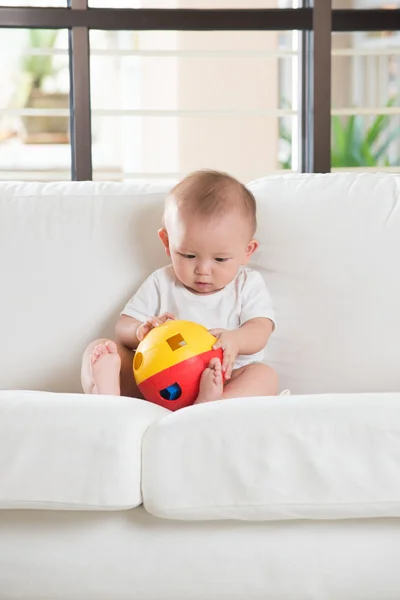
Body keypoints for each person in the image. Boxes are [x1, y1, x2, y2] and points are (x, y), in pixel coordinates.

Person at [81, 169, 279, 404]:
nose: (203, 270)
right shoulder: (162, 281)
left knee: (264, 376)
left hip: (221, 377)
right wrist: (140, 331)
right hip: (155, 381)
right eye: (188, 255)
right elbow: (122, 327)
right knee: (100, 349)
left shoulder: (246, 284)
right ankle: (107, 395)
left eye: (220, 259)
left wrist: (236, 339)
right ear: (167, 242)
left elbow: (261, 329)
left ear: (247, 251)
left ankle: (216, 401)